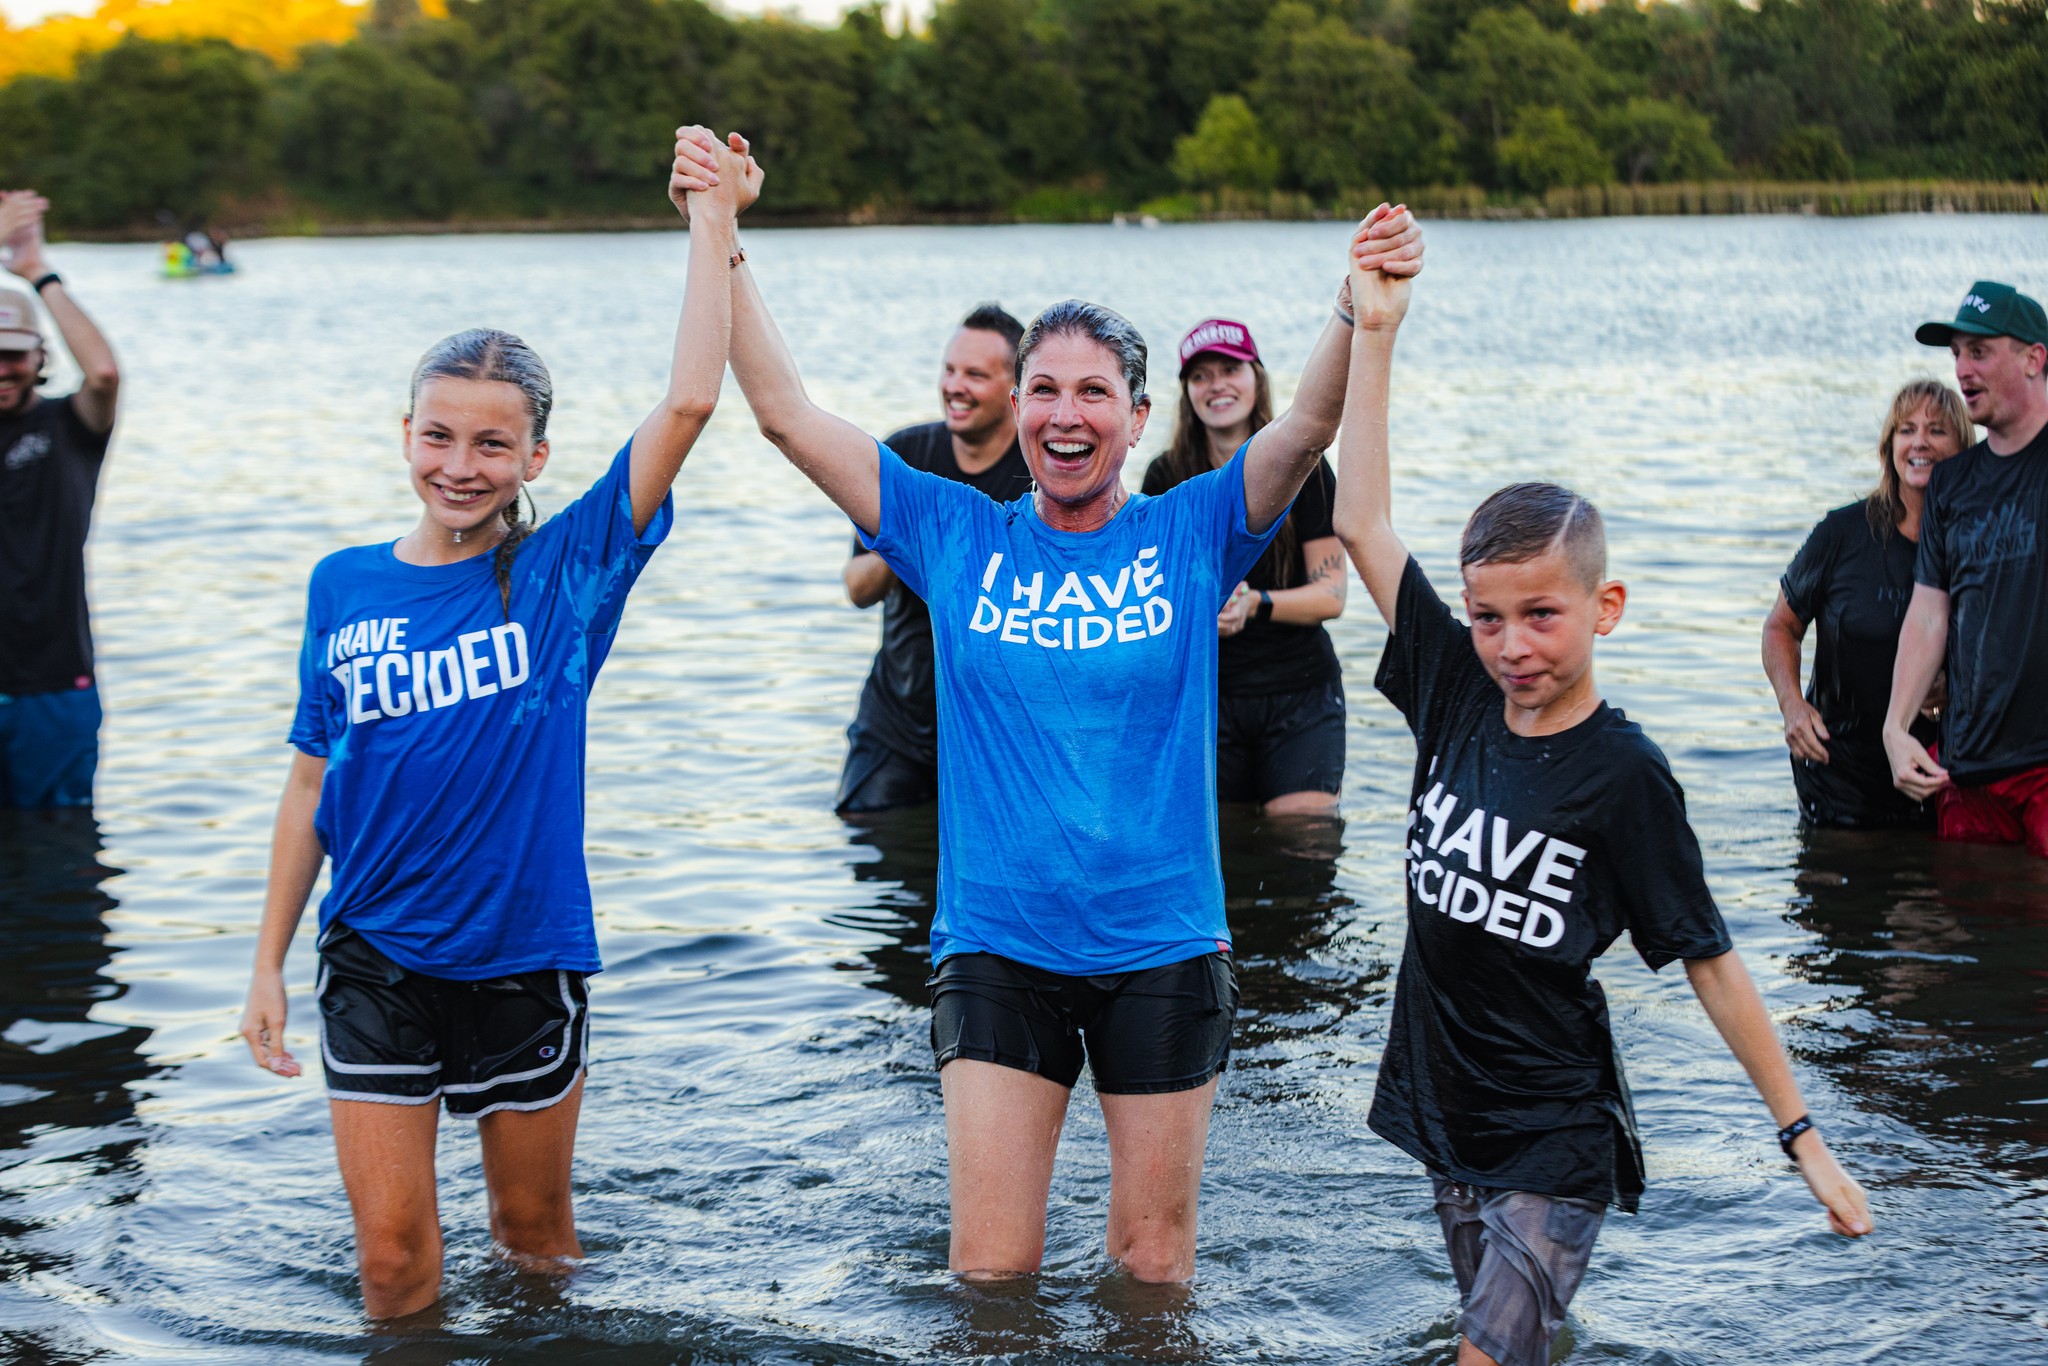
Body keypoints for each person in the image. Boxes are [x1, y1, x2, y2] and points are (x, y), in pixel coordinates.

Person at [704, 123, 1422, 1280]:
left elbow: (1303, 431)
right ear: (1018, 411)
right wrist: (722, 233)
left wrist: (1354, 303)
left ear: (1138, 420)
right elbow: (786, 413)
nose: (1064, 413)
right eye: (1043, 389)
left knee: (1152, 1278)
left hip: (1163, 943)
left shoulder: (1189, 528)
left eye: (1094, 392)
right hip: (997, 943)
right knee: (989, 1281)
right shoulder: (949, 529)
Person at [235, 126, 753, 1320]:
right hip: (372, 958)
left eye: (489, 442)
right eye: (437, 434)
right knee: (393, 1269)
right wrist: (263, 961)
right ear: (404, 434)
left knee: (534, 1248)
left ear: (534, 454)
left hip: (525, 958)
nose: (459, 465)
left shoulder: (569, 573)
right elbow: (312, 782)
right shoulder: (343, 583)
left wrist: (710, 220)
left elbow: (686, 400)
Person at [1330, 240, 1870, 1366]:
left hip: (1553, 1133)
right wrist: (1374, 333)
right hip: (1446, 1105)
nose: (1509, 645)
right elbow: (1362, 527)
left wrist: (1800, 1135)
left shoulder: (1624, 776)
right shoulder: (1451, 687)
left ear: (1603, 607)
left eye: (1540, 614)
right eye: (1486, 616)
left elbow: (1707, 956)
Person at [1141, 319, 1348, 815]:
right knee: (1225, 849)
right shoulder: (1165, 475)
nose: (1216, 386)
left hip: (1299, 691)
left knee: (1303, 840)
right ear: (1187, 392)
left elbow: (1332, 596)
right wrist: (1197, 610)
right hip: (1208, 696)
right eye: (1200, 376)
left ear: (1257, 378)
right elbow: (1150, 592)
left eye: (1230, 369)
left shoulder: (1308, 468)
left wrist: (1254, 603)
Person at [838, 303, 1034, 814]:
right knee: (872, 856)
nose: (955, 386)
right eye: (949, 370)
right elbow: (857, 589)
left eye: (974, 374)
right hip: (897, 720)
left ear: (1014, 392)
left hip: (998, 731)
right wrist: (912, 537)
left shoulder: (1039, 471)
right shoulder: (904, 458)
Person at [1761, 380, 1970, 827]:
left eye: (1936, 431)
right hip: (1839, 769)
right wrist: (1792, 706)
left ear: (1963, 447)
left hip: (1936, 769)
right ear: (1889, 446)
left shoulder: (1976, 542)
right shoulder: (1841, 534)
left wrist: (1953, 686)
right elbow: (1781, 627)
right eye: (1906, 429)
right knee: (1843, 884)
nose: (1919, 442)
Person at [1886, 282, 2048, 856]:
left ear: (2034, 358)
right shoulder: (1953, 483)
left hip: (2042, 773)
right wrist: (1896, 728)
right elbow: (1929, 613)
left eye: (1979, 352)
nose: (1962, 369)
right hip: (1966, 772)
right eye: (1956, 354)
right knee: (1968, 934)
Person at [0, 190, 121, 809]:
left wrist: (35, 271)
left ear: (39, 357)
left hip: (53, 685)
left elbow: (102, 374)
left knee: (59, 863)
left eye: (13, 354)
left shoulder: (66, 429)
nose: (2, 368)